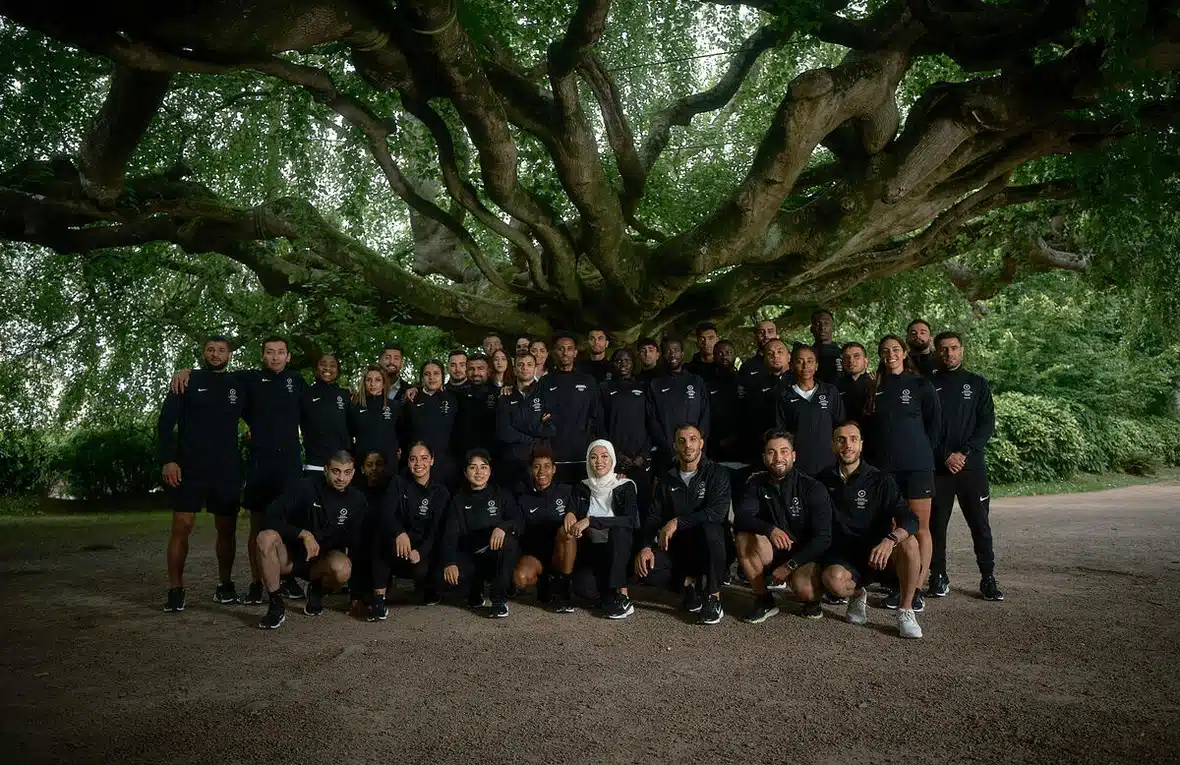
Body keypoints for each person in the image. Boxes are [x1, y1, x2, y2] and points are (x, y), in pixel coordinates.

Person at [157, 335, 245, 612]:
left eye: (221, 350)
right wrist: (169, 460)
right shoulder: (186, 381)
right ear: (203, 353)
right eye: (210, 350)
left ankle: (224, 585)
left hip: (227, 468)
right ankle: (175, 589)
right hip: (189, 467)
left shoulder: (239, 384)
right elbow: (164, 424)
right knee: (181, 526)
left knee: (227, 529)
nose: (216, 354)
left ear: (229, 355)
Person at [818, 422, 923, 639]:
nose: (848, 445)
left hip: (880, 553)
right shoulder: (822, 480)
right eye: (841, 440)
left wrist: (890, 539)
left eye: (853, 439)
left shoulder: (881, 480)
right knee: (833, 581)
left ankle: (906, 610)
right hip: (846, 556)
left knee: (909, 541)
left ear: (862, 444)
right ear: (833, 446)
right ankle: (858, 594)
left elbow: (911, 519)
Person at [863, 335, 940, 612]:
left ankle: (916, 588)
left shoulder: (920, 385)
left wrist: (918, 454)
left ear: (904, 353)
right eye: (885, 351)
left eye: (895, 349)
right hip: (886, 471)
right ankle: (900, 585)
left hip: (917, 467)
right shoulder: (875, 386)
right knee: (895, 529)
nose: (890, 354)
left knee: (919, 528)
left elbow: (933, 429)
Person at [255, 451, 368, 629]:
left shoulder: (357, 500)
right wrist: (303, 534)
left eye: (347, 472)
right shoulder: (304, 487)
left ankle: (318, 590)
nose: (341, 478)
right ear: (325, 470)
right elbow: (267, 518)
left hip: (320, 563)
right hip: (290, 558)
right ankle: (276, 605)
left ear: (353, 473)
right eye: (336, 471)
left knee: (343, 569)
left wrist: (356, 596)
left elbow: (357, 545)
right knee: (265, 537)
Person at [929, 332, 1003, 601]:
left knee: (980, 524)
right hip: (940, 468)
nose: (949, 354)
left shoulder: (977, 383)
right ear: (937, 352)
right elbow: (925, 427)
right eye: (944, 349)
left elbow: (986, 424)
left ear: (962, 350)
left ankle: (988, 578)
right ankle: (938, 576)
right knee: (937, 524)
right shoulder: (928, 383)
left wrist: (964, 453)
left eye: (954, 348)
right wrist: (946, 455)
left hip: (972, 467)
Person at [635, 424, 730, 625]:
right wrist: (645, 546)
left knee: (711, 529)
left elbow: (717, 513)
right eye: (682, 441)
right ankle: (689, 586)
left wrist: (678, 521)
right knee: (645, 568)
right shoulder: (666, 478)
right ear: (675, 446)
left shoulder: (717, 473)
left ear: (702, 443)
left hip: (709, 546)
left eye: (693, 439)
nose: (688, 445)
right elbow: (653, 517)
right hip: (678, 549)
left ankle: (713, 597)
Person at [734, 430, 833, 622]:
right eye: (771, 452)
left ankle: (813, 600)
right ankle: (764, 600)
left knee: (806, 592)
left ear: (793, 456)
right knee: (744, 537)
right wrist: (770, 530)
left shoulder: (812, 487)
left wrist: (790, 566)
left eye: (784, 451)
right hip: (772, 549)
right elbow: (741, 518)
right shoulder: (756, 482)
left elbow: (823, 538)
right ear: (764, 458)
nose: (778, 457)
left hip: (802, 556)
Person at [368, 442, 450, 620]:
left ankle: (428, 587)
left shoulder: (440, 491)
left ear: (432, 461)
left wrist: (420, 552)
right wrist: (399, 532)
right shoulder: (398, 482)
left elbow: (436, 530)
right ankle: (378, 598)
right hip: (399, 544)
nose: (418, 463)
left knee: (424, 570)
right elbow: (386, 514)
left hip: (422, 550)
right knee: (379, 537)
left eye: (424, 458)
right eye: (413, 459)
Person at [439, 450, 521, 618]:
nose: (479, 472)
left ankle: (499, 600)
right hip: (470, 556)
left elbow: (518, 521)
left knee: (509, 541)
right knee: (447, 580)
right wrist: (449, 562)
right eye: (473, 467)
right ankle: (473, 590)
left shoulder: (501, 494)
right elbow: (450, 535)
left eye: (483, 467)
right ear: (465, 471)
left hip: (495, 556)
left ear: (490, 471)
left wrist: (503, 527)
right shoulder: (458, 500)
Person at [570, 439, 640, 619]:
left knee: (618, 530)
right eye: (593, 457)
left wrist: (591, 521)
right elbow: (573, 513)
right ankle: (606, 594)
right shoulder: (582, 487)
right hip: (592, 550)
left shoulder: (625, 485)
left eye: (604, 456)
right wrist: (570, 513)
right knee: (585, 589)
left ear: (612, 460)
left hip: (618, 549)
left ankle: (621, 595)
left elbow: (629, 521)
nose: (599, 461)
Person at [512, 447, 577, 611]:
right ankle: (543, 581)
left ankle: (564, 590)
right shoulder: (523, 499)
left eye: (547, 466)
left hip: (560, 554)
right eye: (536, 466)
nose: (542, 471)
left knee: (567, 532)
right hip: (537, 556)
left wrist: (572, 513)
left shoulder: (566, 492)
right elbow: (517, 528)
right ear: (531, 470)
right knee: (520, 578)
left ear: (554, 469)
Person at [775, 346, 845, 476]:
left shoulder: (830, 392)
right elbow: (781, 433)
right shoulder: (785, 396)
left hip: (829, 463)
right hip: (798, 465)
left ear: (817, 365)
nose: (805, 366)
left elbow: (840, 427)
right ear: (792, 365)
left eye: (810, 361)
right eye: (800, 361)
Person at [646, 337, 710, 472]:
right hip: (667, 453)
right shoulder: (655, 384)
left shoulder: (696, 381)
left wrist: (697, 444)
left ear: (682, 353)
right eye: (667, 351)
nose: (672, 354)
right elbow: (652, 420)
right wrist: (669, 447)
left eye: (675, 350)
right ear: (662, 355)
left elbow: (705, 415)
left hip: (695, 452)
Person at [544, 332, 602, 482]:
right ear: (554, 352)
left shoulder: (588, 380)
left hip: (582, 452)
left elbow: (595, 414)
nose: (565, 352)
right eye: (560, 348)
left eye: (569, 348)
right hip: (555, 452)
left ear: (575, 353)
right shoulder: (545, 382)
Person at [600, 348, 652, 504]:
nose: (623, 364)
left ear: (633, 363)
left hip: (640, 459)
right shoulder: (604, 389)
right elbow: (600, 426)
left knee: (643, 504)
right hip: (615, 459)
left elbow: (652, 423)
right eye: (618, 361)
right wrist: (614, 454)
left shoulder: (644, 387)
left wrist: (643, 454)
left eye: (627, 360)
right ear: (613, 364)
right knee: (616, 504)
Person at [496, 353, 556, 487]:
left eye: (529, 365)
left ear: (535, 369)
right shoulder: (505, 396)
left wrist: (518, 424)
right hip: (512, 461)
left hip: (539, 462)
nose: (525, 368)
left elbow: (551, 428)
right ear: (515, 369)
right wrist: (533, 435)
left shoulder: (547, 393)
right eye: (520, 365)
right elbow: (504, 432)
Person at [402, 360, 459, 487]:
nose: (432, 377)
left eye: (436, 373)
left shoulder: (453, 399)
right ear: (422, 378)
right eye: (427, 374)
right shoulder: (412, 399)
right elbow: (403, 432)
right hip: (418, 466)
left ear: (443, 376)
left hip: (445, 466)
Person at [739, 338, 792, 465]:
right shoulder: (757, 386)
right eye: (770, 353)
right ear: (764, 359)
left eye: (780, 352)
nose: (775, 356)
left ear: (789, 356)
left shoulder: (799, 382)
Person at [299, 353, 351, 474]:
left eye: (332, 365)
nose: (327, 368)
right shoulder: (305, 395)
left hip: (341, 466)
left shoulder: (345, 395)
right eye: (323, 364)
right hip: (314, 465)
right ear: (316, 368)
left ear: (338, 371)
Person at [349, 366, 402, 474]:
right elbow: (349, 436)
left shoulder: (395, 407)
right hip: (363, 467)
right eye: (369, 380)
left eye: (377, 380)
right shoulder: (355, 408)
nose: (372, 384)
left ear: (383, 384)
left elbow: (402, 434)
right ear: (364, 383)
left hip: (388, 466)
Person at [453, 353, 500, 462]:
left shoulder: (500, 394)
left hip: (493, 458)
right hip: (463, 458)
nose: (476, 373)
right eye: (471, 369)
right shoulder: (457, 395)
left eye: (480, 368)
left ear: (488, 371)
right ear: (466, 371)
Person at [706, 341, 742, 466]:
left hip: (744, 447)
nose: (724, 356)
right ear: (714, 356)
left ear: (735, 355)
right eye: (720, 353)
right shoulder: (707, 384)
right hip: (715, 447)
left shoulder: (744, 381)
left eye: (728, 352)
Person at [837, 342, 874, 424]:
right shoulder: (835, 387)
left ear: (866, 361)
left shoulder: (875, 384)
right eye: (846, 357)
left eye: (856, 356)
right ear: (842, 362)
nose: (851, 360)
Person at [809, 310, 844, 384]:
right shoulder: (807, 355)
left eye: (826, 323)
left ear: (833, 328)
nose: (822, 327)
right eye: (818, 324)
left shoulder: (843, 354)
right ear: (812, 329)